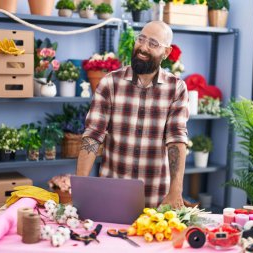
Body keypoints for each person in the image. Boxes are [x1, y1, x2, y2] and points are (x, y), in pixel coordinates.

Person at [76, 20, 189, 208]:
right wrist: (80, 190)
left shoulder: (176, 88)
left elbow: (176, 139)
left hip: (157, 202)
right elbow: (93, 136)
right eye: (141, 39)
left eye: (153, 43)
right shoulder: (110, 83)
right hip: (112, 197)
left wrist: (175, 191)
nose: (143, 47)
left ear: (166, 52)